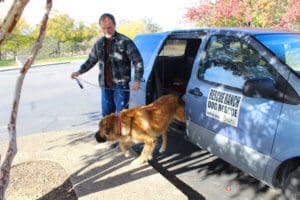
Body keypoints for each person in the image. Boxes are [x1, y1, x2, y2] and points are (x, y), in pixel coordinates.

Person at [71, 13, 144, 117]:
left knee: (121, 117)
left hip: (121, 86)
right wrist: (79, 72)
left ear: (114, 25)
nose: (106, 30)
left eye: (109, 27)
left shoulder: (125, 41)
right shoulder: (99, 44)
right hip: (105, 86)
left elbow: (138, 61)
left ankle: (119, 133)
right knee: (107, 118)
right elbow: (91, 60)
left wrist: (137, 80)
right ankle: (108, 134)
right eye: (103, 28)